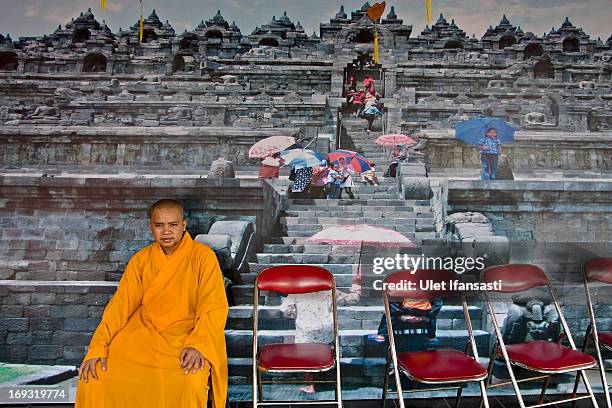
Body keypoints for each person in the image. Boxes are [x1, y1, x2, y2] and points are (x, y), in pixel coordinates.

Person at [75, 199, 229, 408]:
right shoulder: (141, 260)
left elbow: (213, 306)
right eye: (159, 225)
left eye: (173, 225)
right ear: (151, 227)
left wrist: (198, 345)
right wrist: (98, 346)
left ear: (183, 226)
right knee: (96, 376)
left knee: (190, 381)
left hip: (186, 336)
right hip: (142, 334)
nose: (166, 232)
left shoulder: (203, 258)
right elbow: (119, 307)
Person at [280, 270, 362, 394]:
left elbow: (286, 311)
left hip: (306, 331)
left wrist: (295, 314)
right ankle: (327, 373)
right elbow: (352, 299)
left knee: (306, 358)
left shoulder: (297, 293)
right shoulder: (329, 291)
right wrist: (356, 284)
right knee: (323, 349)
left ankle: (311, 385)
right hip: (326, 331)